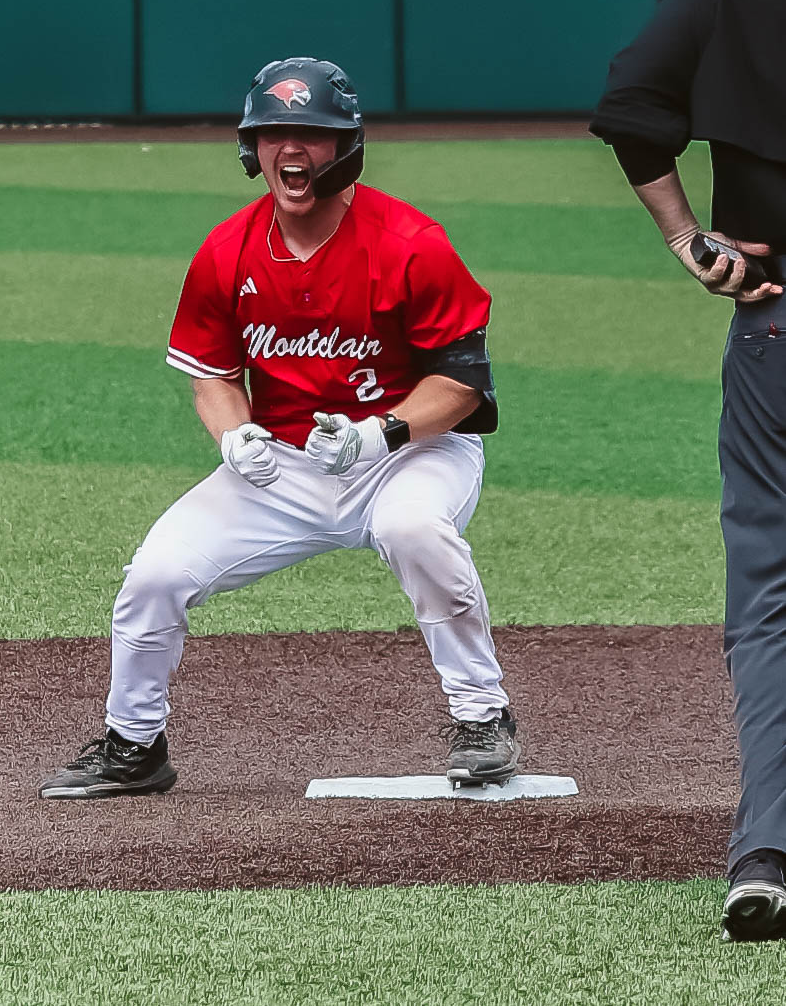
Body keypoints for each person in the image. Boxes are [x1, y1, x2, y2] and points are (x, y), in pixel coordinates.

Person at [39, 56, 519, 801]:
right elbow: (212, 373)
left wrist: (380, 432)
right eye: (273, 133)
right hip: (283, 468)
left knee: (414, 529)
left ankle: (482, 717)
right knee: (157, 575)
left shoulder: (411, 243)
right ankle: (134, 744)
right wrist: (234, 438)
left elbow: (461, 385)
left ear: (347, 145)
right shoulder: (227, 250)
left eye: (311, 134)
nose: (290, 150)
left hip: (409, 453)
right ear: (250, 145)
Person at [590, 0, 786, 943]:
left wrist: (685, 236)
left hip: (773, 327)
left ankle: (765, 854)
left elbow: (629, 109)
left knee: (768, 603)